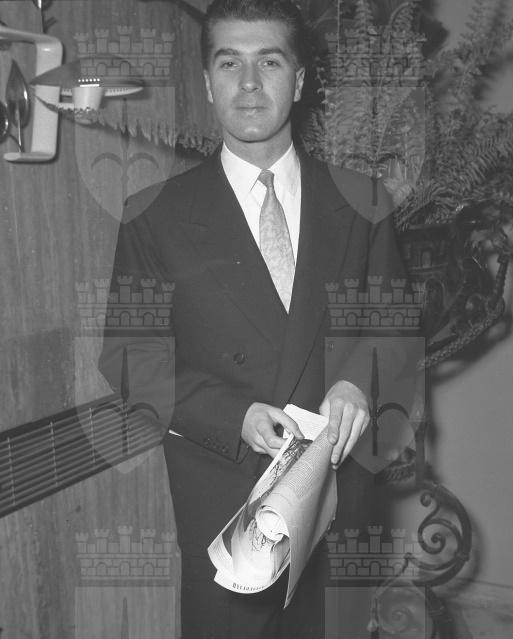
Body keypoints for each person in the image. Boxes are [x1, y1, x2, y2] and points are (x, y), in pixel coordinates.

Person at [99, 0, 407, 637]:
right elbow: (129, 359)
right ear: (207, 83)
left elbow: (393, 326)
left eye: (268, 62)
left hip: (336, 498)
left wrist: (356, 383)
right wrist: (232, 416)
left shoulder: (364, 202)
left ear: (299, 80)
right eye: (228, 63)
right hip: (225, 507)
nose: (247, 83)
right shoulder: (153, 216)